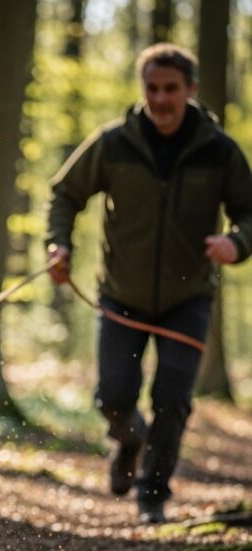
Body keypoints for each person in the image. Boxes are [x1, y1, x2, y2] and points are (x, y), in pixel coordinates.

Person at [45, 43, 252, 524]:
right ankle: (129, 440)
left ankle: (152, 498)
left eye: (170, 89)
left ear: (191, 90)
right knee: (114, 396)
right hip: (121, 294)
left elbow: (248, 210)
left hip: (190, 298)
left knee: (174, 400)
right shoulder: (114, 142)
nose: (160, 99)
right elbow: (65, 194)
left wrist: (237, 243)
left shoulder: (218, 150)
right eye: (152, 88)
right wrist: (59, 245)